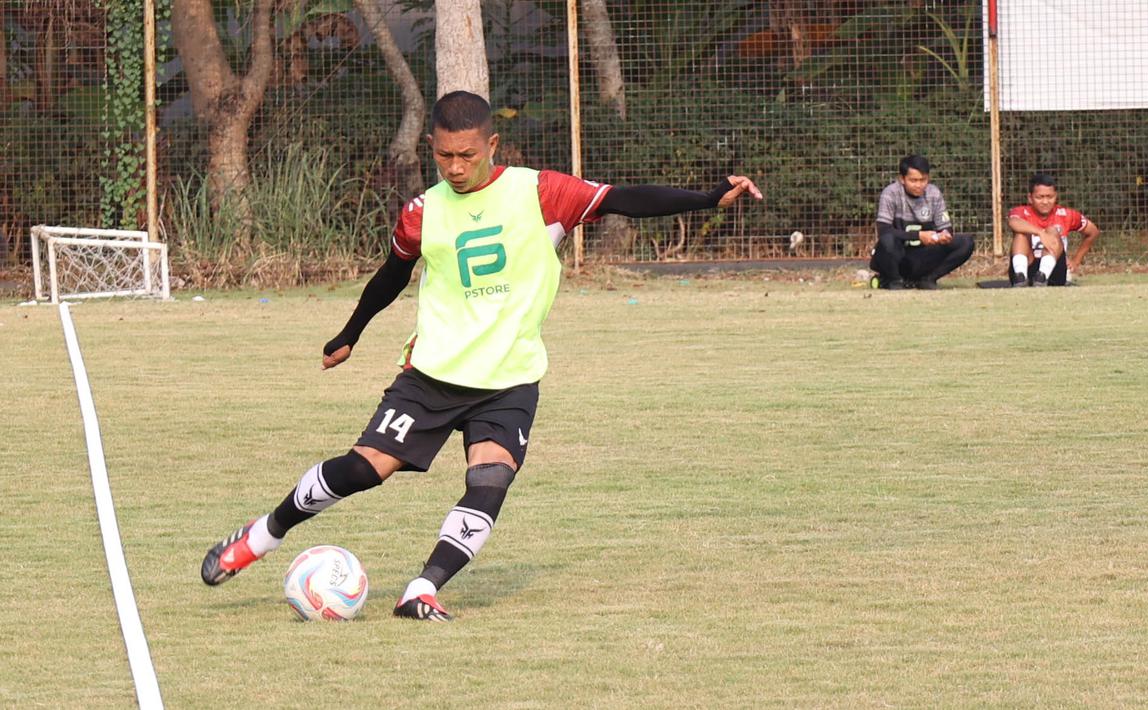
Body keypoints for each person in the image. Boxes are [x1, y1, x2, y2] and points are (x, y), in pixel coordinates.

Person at [199, 91, 763, 621]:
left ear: (492, 146)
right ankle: (259, 538)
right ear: (432, 148)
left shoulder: (540, 192)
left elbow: (625, 199)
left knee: (490, 478)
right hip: (433, 374)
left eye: (467, 154)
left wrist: (711, 195)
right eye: (444, 155)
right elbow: (392, 275)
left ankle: (422, 590)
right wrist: (352, 333)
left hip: (509, 379)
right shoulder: (423, 211)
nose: (455, 166)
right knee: (363, 470)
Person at [870, 155, 974, 290]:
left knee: (966, 242)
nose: (919, 185)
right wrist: (919, 236)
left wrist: (943, 236)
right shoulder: (890, 193)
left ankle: (928, 279)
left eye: (923, 180)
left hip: (921, 256)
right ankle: (894, 280)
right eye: (913, 180)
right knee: (888, 240)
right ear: (902, 179)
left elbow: (946, 228)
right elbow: (884, 231)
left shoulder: (934, 193)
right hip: (896, 255)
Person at [1007, 172, 1100, 287]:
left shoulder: (1066, 214)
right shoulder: (1020, 212)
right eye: (1040, 197)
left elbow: (1093, 232)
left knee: (1053, 231)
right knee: (1020, 234)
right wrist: (1040, 232)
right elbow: (1013, 222)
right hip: (1029, 265)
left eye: (1049, 197)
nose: (1045, 202)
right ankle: (1020, 277)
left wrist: (1076, 260)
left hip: (1055, 271)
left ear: (1056, 196)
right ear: (1030, 198)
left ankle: (1042, 277)